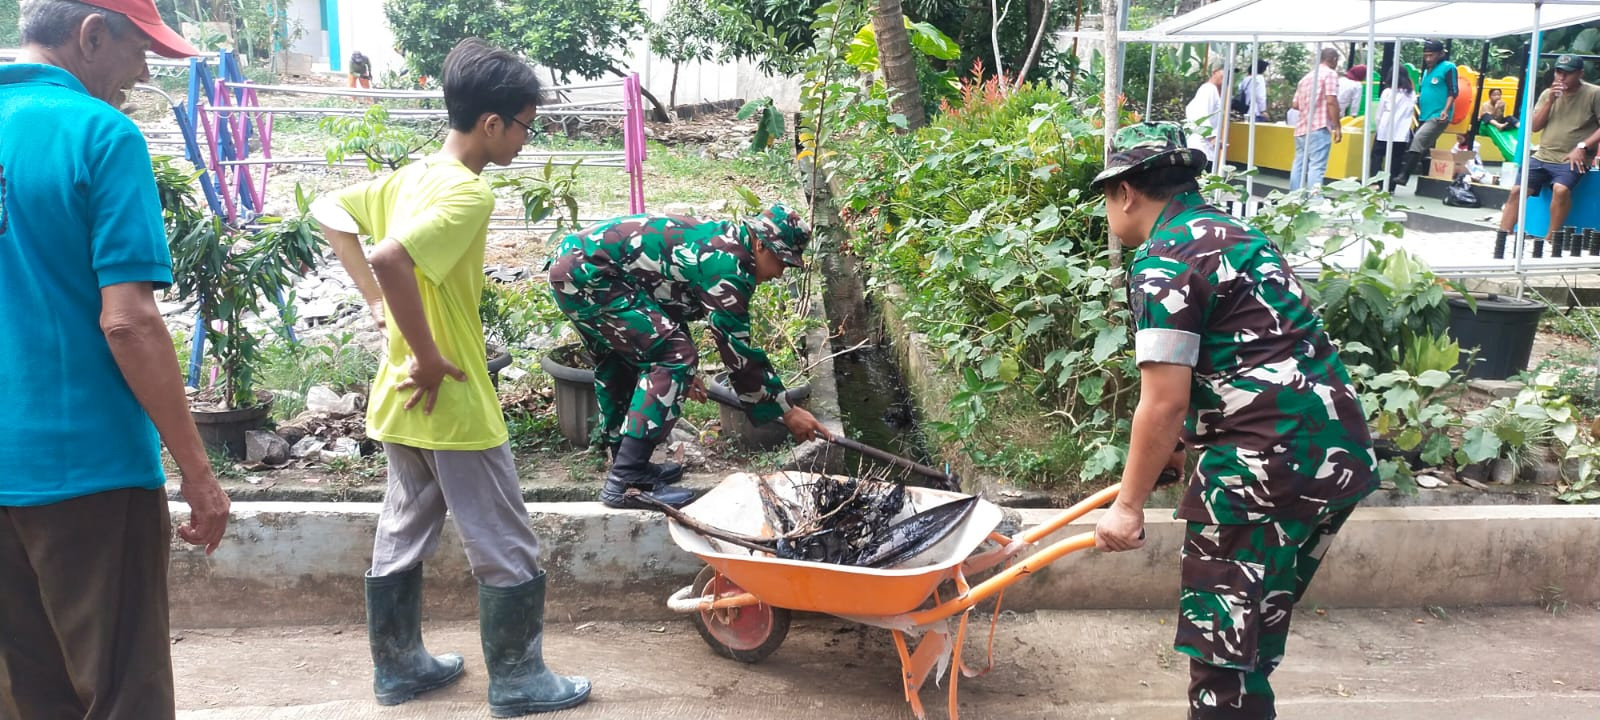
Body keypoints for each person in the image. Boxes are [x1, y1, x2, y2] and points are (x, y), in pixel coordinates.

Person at [313, 37, 590, 716]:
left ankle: (399, 668)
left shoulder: (409, 178)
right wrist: (429, 351)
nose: (525, 139)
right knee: (505, 539)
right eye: (524, 125)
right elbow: (391, 256)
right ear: (492, 123)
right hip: (451, 396)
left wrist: (380, 311)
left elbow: (329, 211)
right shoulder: (467, 193)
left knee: (404, 526)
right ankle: (519, 681)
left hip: (399, 397)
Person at [1090, 121, 1379, 720]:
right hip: (1336, 455)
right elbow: (1249, 351)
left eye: (1107, 197)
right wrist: (1176, 450)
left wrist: (1128, 506)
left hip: (1257, 469)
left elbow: (1164, 401)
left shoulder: (1163, 261)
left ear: (1126, 192)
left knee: (1222, 652)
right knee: (1255, 631)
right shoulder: (1240, 234)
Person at [0, 1, 232, 718]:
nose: (144, 72)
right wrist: (198, 473)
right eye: (141, 51)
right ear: (92, 35)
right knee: (124, 695)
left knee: (29, 697)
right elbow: (129, 322)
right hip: (88, 471)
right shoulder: (100, 133)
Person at [548, 206, 833, 510]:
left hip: (577, 267)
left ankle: (630, 467)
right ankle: (625, 480)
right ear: (761, 244)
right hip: (591, 274)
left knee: (623, 360)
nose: (779, 274)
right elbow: (738, 353)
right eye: (781, 262)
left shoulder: (724, 243)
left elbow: (663, 301)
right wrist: (786, 410)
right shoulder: (728, 266)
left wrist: (686, 373)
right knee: (675, 355)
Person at [1494, 54, 1600, 252]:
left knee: (1560, 189)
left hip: (1572, 157)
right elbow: (1534, 127)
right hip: (1542, 155)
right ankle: (1503, 237)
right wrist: (1550, 101)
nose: (1561, 77)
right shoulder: (1547, 94)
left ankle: (1551, 239)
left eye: (1568, 73)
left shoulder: (1594, 93)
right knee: (1517, 190)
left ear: (1580, 73)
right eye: (1558, 72)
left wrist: (1582, 146)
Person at [1395, 40, 1458, 187]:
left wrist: (1445, 110)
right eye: (1426, 56)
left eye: (1431, 55)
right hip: (1424, 114)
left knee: (1418, 140)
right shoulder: (1426, 72)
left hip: (1438, 115)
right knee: (1422, 146)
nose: (1428, 59)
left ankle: (1404, 176)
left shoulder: (1448, 67)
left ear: (1440, 54)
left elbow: (1453, 91)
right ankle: (1425, 175)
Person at [1289, 48, 1344, 191]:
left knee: (1299, 164)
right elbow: (1331, 100)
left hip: (1302, 127)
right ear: (1334, 60)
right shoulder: (1330, 74)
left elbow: (1295, 104)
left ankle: (1293, 197)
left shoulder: (1306, 78)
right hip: (1319, 126)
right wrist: (1337, 126)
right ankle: (1315, 199)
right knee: (1317, 166)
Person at [1371, 68, 1416, 191]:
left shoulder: (1387, 92)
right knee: (1396, 159)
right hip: (1401, 132)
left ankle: (1375, 182)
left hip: (1385, 129)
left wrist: (1378, 126)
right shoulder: (1411, 94)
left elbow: (1380, 112)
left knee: (1377, 155)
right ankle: (1390, 186)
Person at [1184, 68, 1226, 165]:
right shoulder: (1209, 89)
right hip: (1202, 147)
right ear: (1214, 72)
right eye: (1225, 72)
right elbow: (1201, 113)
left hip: (1202, 147)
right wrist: (1212, 138)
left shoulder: (1211, 90)